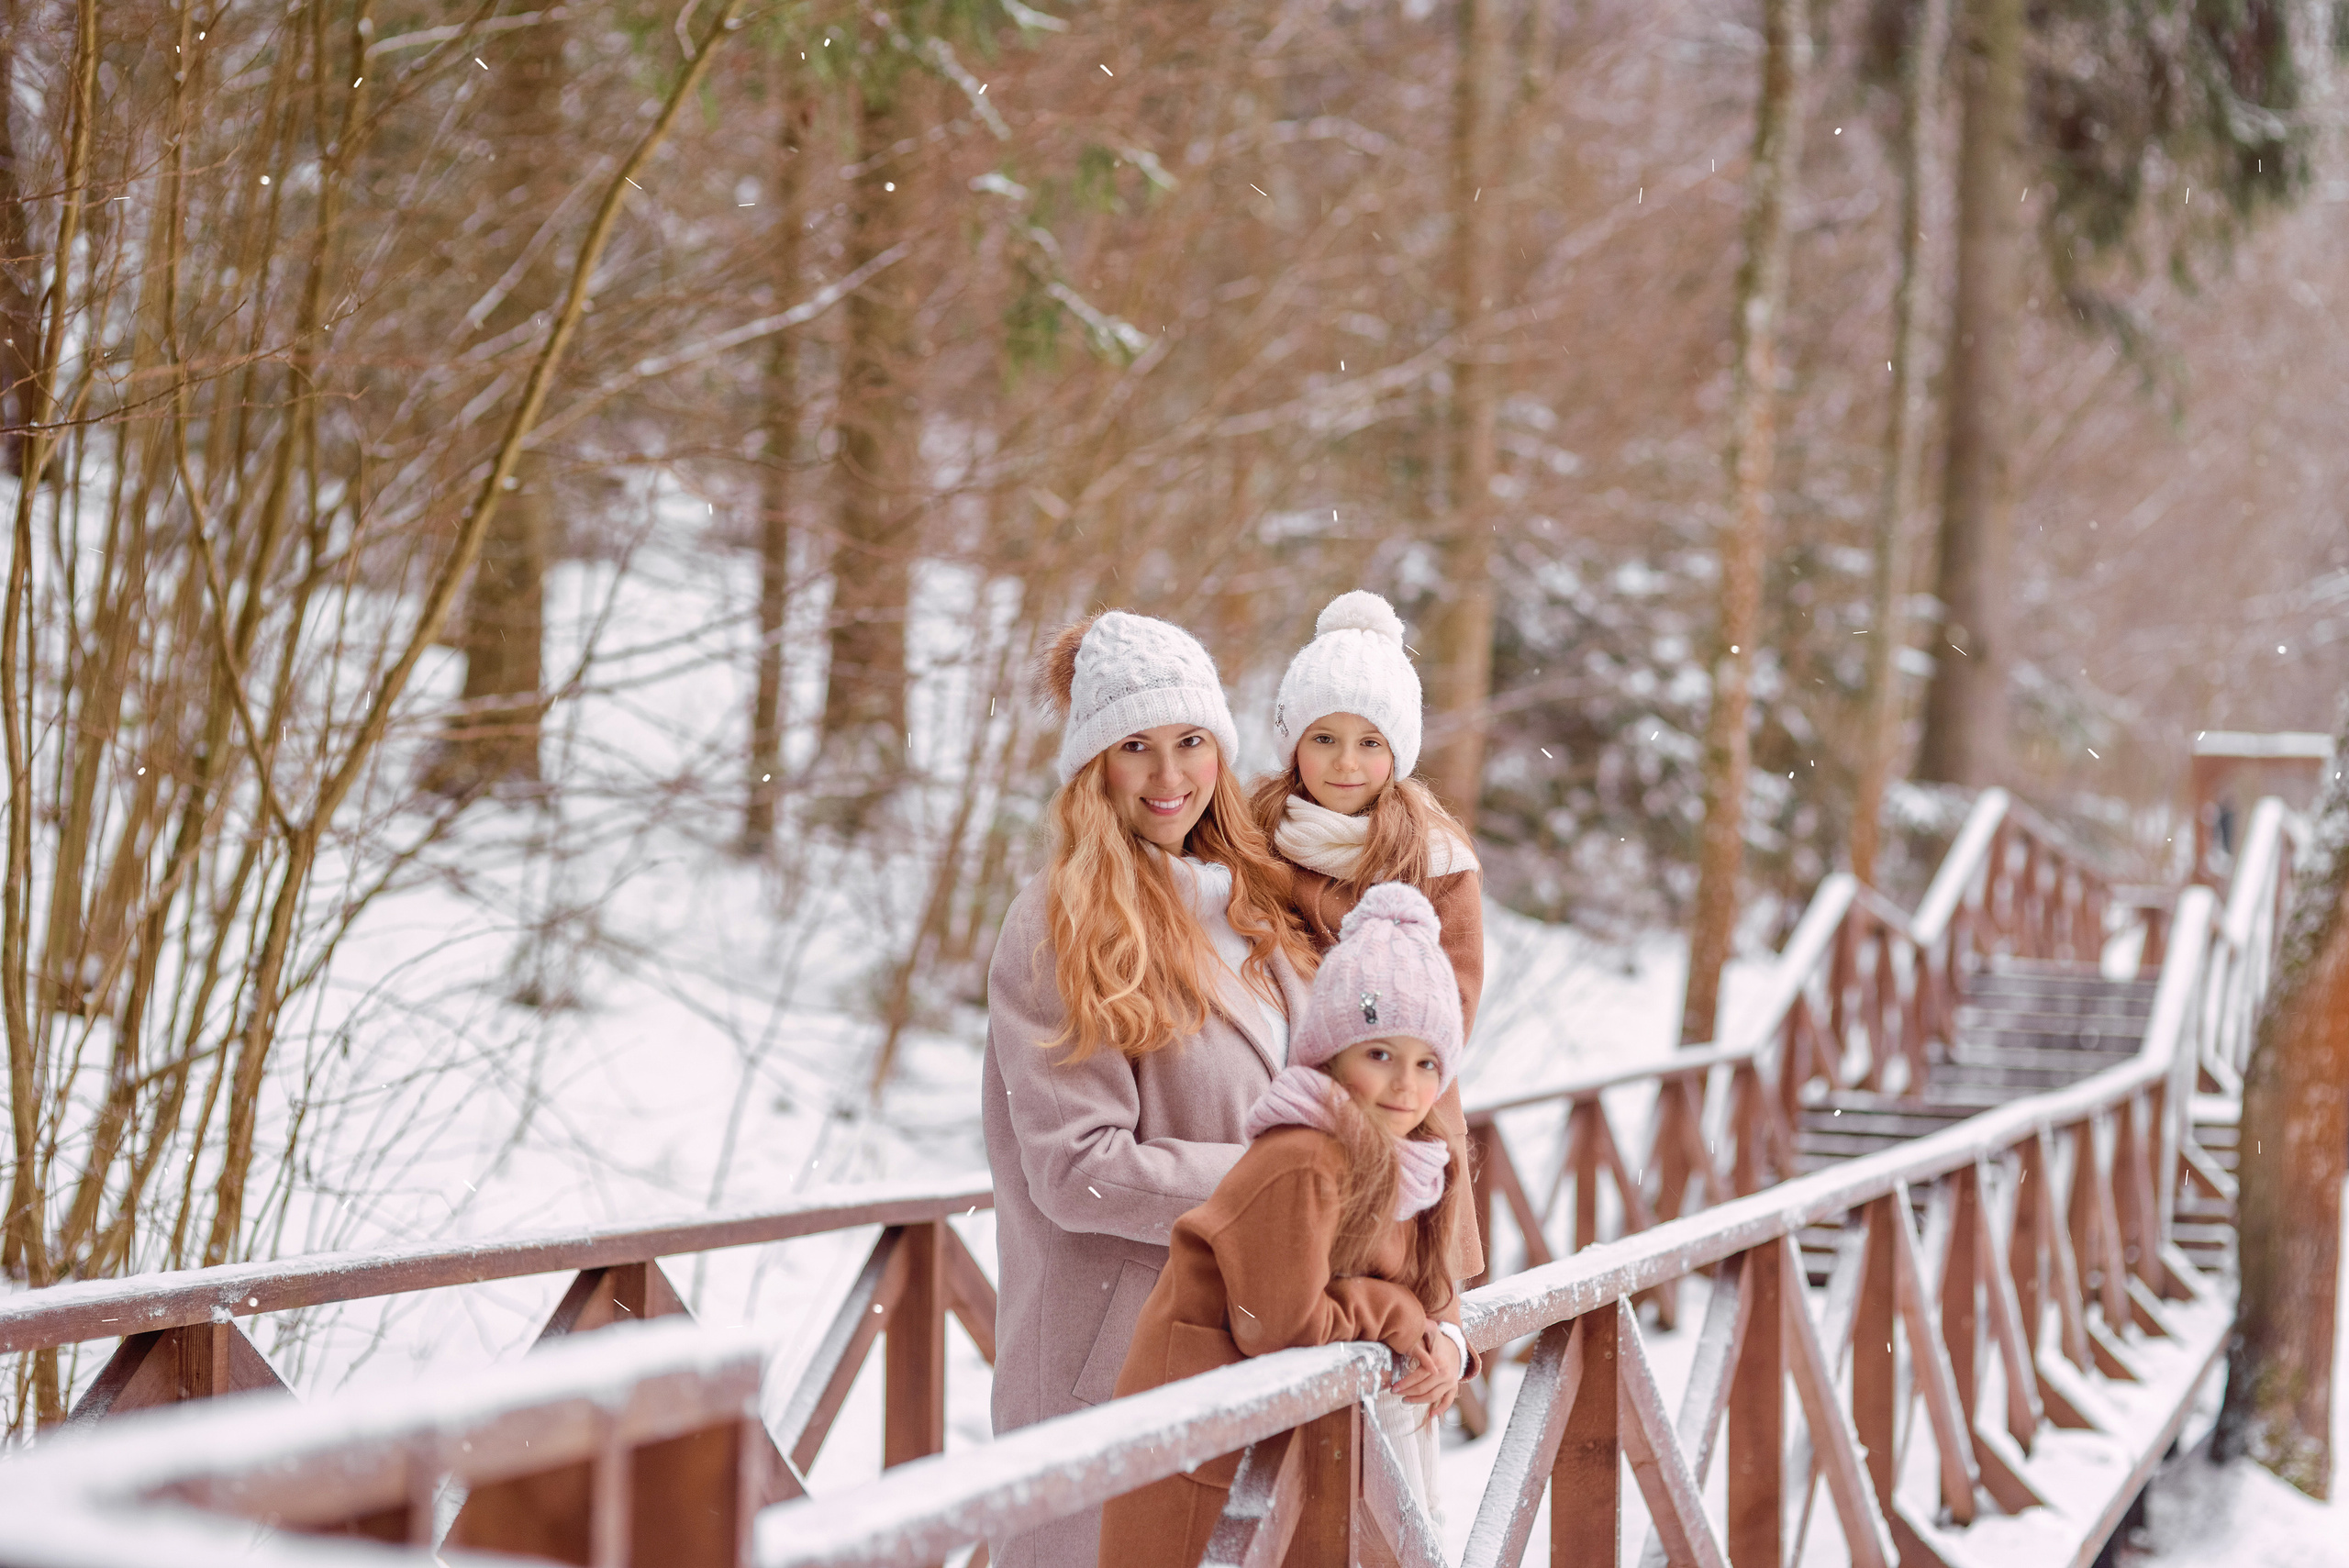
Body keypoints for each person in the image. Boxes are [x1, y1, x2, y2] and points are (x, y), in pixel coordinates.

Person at [983, 610, 1321, 1568]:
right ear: (1095, 766)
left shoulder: (1262, 907)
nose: (1169, 776)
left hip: (1257, 1344)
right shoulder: (1058, 922)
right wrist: (1285, 1184)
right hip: (1118, 1360)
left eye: (1190, 743)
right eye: (1136, 746)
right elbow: (1079, 1171)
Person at [1097, 884, 1476, 1568]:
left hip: (1298, 1425)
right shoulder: (1304, 1153)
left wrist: (1444, 1336)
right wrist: (1392, 1312)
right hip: (1206, 1430)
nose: (1405, 1085)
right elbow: (1278, 1323)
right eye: (1379, 1054)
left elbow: (1426, 1282)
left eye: (1427, 1063)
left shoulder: (1414, 1157)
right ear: (1330, 1053)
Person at [1251, 589, 1486, 1281]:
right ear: (1294, 744)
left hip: (1403, 1107)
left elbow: (1453, 1006)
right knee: (1296, 1309)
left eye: (1369, 742)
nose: (1345, 763)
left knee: (1400, 1310)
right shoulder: (1252, 842)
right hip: (1287, 1113)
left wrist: (1370, 1056)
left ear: (1398, 749)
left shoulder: (1436, 860)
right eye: (1323, 738)